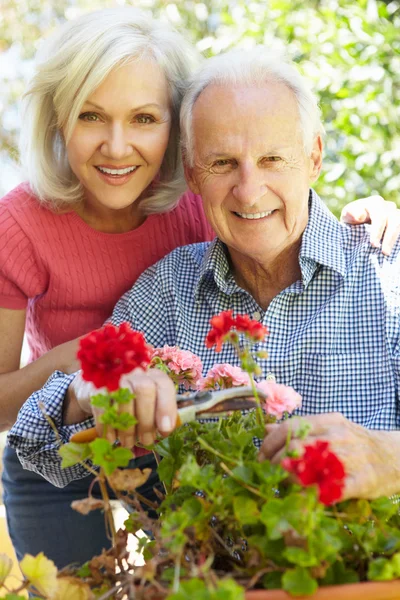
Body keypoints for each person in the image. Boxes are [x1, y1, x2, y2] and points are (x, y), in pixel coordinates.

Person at [8, 47, 400, 506]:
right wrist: (85, 391)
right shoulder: (165, 291)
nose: (250, 192)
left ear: (314, 157)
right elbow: (33, 444)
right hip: (210, 575)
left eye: (273, 159)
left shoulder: (387, 273)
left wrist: (387, 457)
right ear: (192, 174)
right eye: (223, 163)